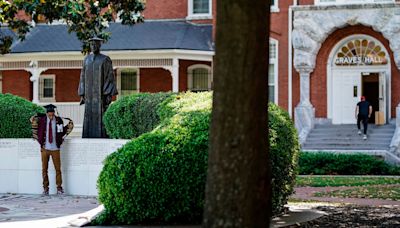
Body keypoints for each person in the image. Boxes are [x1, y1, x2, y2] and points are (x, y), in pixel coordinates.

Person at [78, 36, 118, 138]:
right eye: (91, 44)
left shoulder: (105, 59)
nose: (93, 46)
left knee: (101, 117)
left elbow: (110, 77)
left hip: (101, 96)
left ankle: (102, 136)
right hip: (89, 95)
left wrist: (108, 94)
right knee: (88, 116)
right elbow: (82, 76)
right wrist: (82, 93)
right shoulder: (86, 60)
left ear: (99, 45)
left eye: (95, 44)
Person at [35, 104, 68, 195]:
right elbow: (37, 130)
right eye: (49, 113)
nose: (51, 115)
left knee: (58, 169)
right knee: (44, 169)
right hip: (45, 148)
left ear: (54, 112)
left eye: (52, 113)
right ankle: (46, 188)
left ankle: (59, 188)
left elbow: (61, 132)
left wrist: (63, 136)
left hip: (55, 148)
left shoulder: (58, 120)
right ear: (46, 113)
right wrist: (40, 143)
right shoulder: (42, 120)